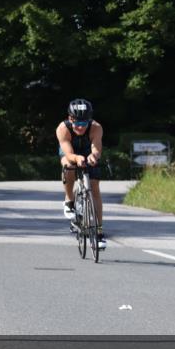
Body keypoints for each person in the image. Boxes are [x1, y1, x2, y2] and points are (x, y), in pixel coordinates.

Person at [57, 98, 107, 250]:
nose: (80, 127)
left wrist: (94, 156)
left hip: (87, 151)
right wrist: (77, 158)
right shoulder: (63, 128)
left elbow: (96, 148)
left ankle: (99, 232)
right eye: (77, 124)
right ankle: (69, 200)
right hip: (71, 152)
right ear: (70, 119)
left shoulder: (96, 127)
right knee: (69, 165)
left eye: (84, 124)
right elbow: (68, 152)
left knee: (94, 187)